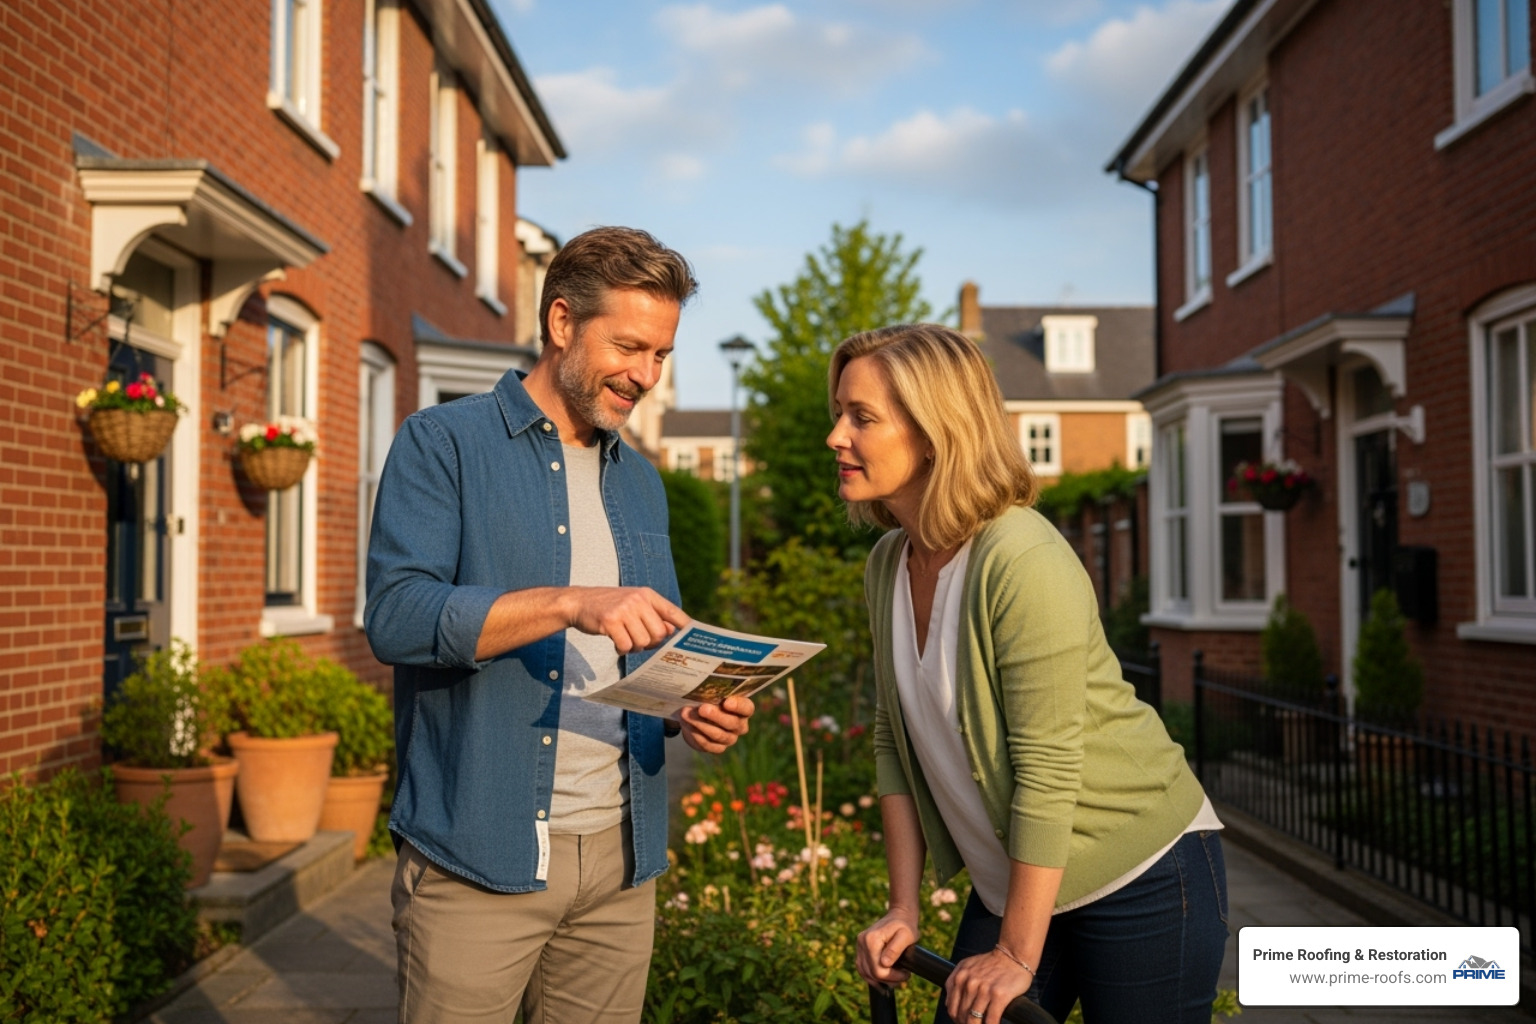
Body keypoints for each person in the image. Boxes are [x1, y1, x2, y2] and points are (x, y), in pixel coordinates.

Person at [365, 226, 754, 1024]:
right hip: (476, 855)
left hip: (621, 863)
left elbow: (654, 649)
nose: (646, 376)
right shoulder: (442, 443)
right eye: (630, 347)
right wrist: (570, 602)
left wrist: (690, 704)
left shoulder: (642, 482)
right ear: (563, 323)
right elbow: (397, 617)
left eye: (662, 356)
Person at [835, 324, 1227, 1024]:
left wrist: (1016, 956)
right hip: (1018, 881)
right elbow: (894, 743)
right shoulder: (888, 565)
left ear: (934, 431)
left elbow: (1048, 765)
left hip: (1141, 875)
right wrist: (903, 907)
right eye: (839, 413)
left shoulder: (1020, 556)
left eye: (861, 417)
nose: (836, 436)